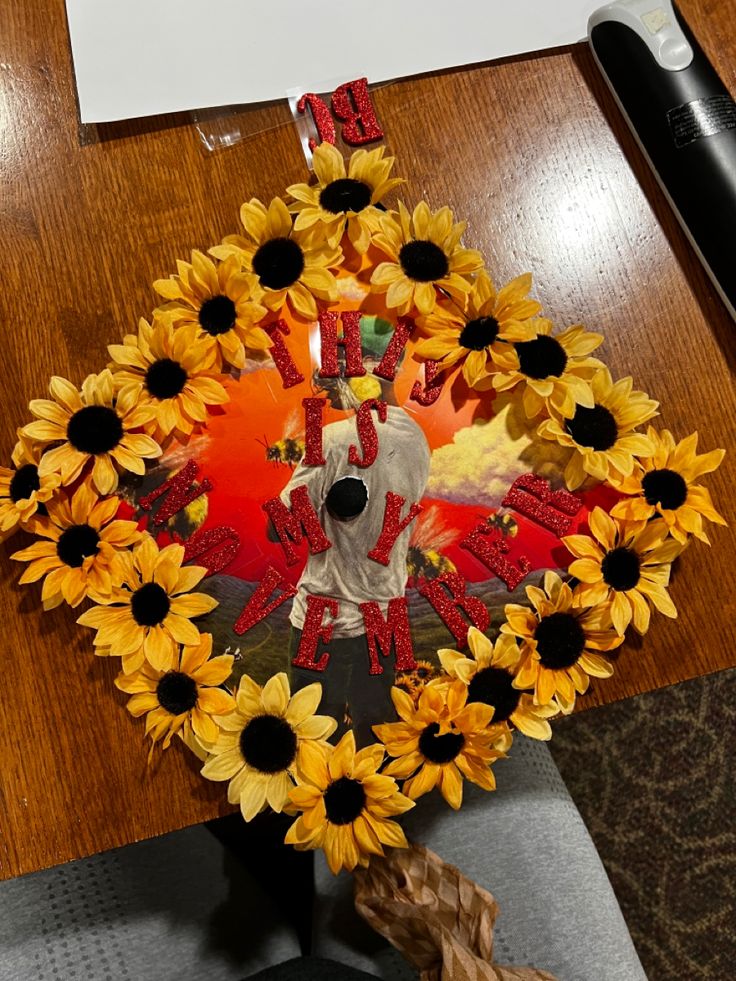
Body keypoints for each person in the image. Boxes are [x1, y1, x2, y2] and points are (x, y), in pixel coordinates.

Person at [279, 316, 430, 745]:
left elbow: (283, 530)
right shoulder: (417, 439)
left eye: (342, 364)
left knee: (309, 742)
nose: (330, 378)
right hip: (384, 618)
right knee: (376, 737)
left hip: (321, 622)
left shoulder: (333, 440)